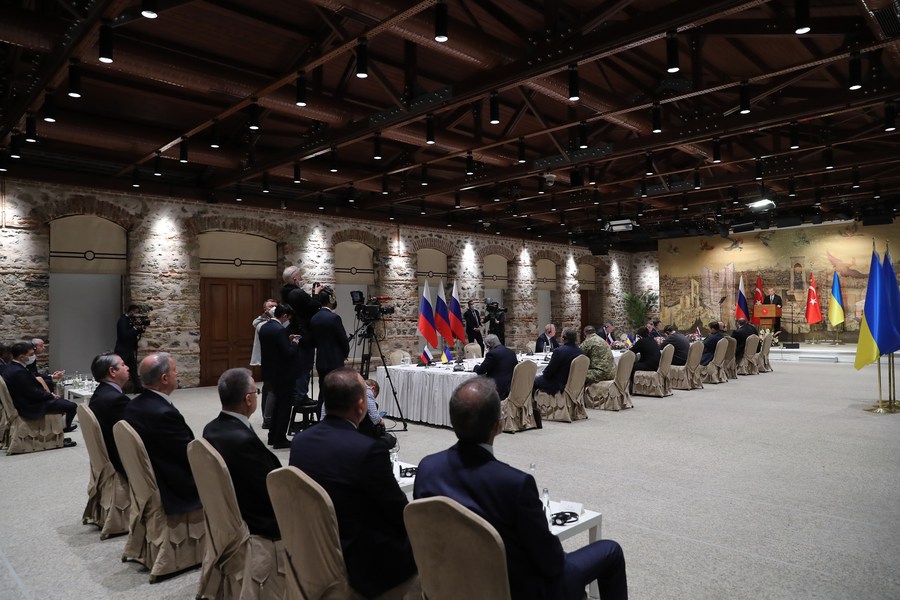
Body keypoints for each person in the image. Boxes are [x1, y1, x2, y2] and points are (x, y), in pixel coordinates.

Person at [414, 377, 628, 600]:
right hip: (516, 590)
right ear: (498, 426)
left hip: (451, 582)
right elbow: (553, 563)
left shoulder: (427, 468)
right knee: (610, 551)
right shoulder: (514, 484)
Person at [289, 368, 417, 598]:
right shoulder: (369, 451)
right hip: (361, 562)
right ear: (360, 405)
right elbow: (398, 512)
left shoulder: (300, 441)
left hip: (314, 545)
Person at [202, 368, 281, 540]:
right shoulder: (244, 441)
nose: (257, 396)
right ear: (248, 399)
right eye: (256, 392)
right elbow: (270, 487)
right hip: (256, 523)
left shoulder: (210, 428)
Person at [123, 352, 201, 515]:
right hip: (172, 486)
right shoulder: (164, 414)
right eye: (174, 370)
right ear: (164, 378)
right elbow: (188, 454)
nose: (177, 373)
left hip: (149, 474)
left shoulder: (133, 405)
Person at [2, 341, 78, 446]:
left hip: (26, 401)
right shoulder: (19, 372)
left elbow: (31, 389)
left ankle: (60, 430)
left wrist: (49, 394)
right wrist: (50, 395)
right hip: (30, 406)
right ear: (21, 357)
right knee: (72, 406)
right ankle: (63, 432)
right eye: (31, 354)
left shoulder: (12, 367)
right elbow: (32, 393)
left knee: (62, 401)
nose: (33, 356)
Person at [258, 304, 298, 449]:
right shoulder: (280, 330)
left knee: (276, 404)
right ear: (285, 316)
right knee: (284, 406)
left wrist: (286, 340)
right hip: (283, 373)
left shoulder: (264, 327)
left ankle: (272, 436)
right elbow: (288, 352)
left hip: (270, 371)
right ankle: (280, 438)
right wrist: (294, 342)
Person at [280, 266, 322, 404]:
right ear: (295, 279)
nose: (302, 278)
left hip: (295, 330)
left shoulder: (285, 292)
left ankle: (298, 394)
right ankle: (301, 396)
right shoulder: (297, 293)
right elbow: (314, 306)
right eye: (300, 276)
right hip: (304, 334)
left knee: (298, 366)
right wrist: (316, 293)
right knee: (304, 367)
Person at [88, 352, 131, 472]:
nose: (127, 367)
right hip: (119, 460)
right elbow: (132, 434)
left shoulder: (100, 392)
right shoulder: (116, 400)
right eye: (123, 365)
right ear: (112, 371)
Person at [310, 286, 350, 385]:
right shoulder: (334, 318)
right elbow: (342, 338)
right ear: (331, 300)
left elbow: (313, 340)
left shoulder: (314, 318)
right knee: (336, 387)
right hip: (335, 360)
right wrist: (345, 353)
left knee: (323, 387)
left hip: (321, 360)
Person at [250, 298, 278, 429]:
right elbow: (256, 323)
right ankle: (267, 418)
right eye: (270, 306)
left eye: (275, 306)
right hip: (266, 359)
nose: (273, 308)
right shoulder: (261, 322)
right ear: (265, 309)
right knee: (269, 388)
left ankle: (269, 416)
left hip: (275, 359)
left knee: (269, 388)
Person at [533, 327, 583, 395]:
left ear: (563, 338)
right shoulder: (580, 352)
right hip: (573, 383)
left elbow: (548, 372)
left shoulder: (559, 351)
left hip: (558, 384)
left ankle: (535, 401)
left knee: (532, 381)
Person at [474, 334, 518, 398]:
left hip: (497, 387)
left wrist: (475, 367)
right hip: (511, 385)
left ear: (488, 345)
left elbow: (481, 371)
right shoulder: (511, 352)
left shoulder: (492, 354)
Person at [115, 305, 145, 392]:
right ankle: (117, 388)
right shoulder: (123, 320)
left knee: (133, 369)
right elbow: (125, 334)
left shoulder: (130, 320)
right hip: (122, 349)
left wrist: (140, 328)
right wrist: (135, 328)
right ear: (131, 311)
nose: (136, 314)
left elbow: (134, 333)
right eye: (135, 312)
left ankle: (138, 387)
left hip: (129, 349)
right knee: (119, 369)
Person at [629, 327, 661, 392]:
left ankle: (633, 388)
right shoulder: (652, 340)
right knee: (636, 363)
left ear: (639, 336)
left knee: (631, 366)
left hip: (649, 365)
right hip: (657, 365)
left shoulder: (641, 341)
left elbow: (631, 352)